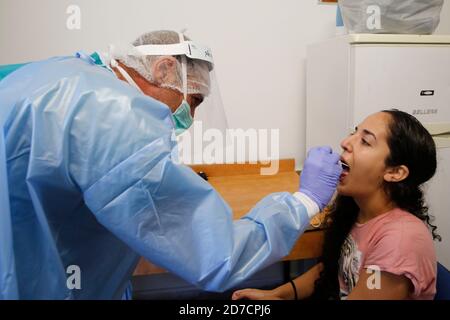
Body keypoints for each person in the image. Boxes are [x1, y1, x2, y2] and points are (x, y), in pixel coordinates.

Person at [0, 30, 342, 299]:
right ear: (164, 68)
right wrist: (304, 201)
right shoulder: (117, 116)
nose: (190, 118)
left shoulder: (65, 75)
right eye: (193, 101)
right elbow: (216, 255)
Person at [232, 109, 440, 300]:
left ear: (395, 172)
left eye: (365, 141)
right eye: (354, 133)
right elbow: (332, 270)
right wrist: (277, 294)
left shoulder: (400, 240)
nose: (345, 142)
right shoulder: (358, 212)